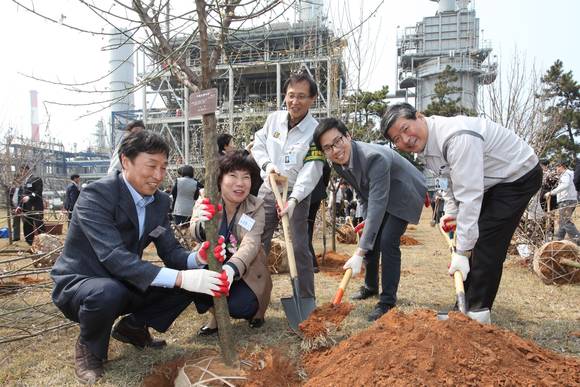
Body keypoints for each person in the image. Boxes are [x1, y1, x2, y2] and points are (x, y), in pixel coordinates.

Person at [50, 131, 229, 384]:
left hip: (126, 282)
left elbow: (170, 252)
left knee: (183, 282)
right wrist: (180, 278)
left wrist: (196, 260)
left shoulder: (159, 202)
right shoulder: (96, 196)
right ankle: (89, 349)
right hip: (81, 283)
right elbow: (114, 256)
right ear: (126, 161)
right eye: (151, 166)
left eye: (164, 167)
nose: (158, 175)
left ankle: (133, 326)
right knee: (109, 291)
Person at [382, 102, 541, 313]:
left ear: (419, 116)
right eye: (396, 139)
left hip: (518, 175)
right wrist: (451, 212)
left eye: (405, 129)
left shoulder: (456, 137)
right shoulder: (426, 146)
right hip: (491, 182)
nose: (405, 139)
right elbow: (446, 178)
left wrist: (462, 251)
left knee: (485, 242)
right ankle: (463, 308)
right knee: (475, 238)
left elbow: (469, 196)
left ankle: (477, 313)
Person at [313, 118, 426, 321]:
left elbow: (378, 204)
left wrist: (359, 252)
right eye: (328, 148)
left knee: (387, 240)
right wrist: (363, 220)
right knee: (370, 236)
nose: (336, 150)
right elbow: (363, 193)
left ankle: (387, 301)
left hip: (403, 192)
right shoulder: (338, 165)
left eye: (338, 141)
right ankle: (370, 286)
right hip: (381, 194)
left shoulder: (374, 158)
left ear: (348, 136)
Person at [251, 70, 324, 298]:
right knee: (257, 240)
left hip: (296, 193)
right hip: (270, 186)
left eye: (302, 96)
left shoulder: (316, 131)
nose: (295, 101)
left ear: (312, 99)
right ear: (285, 95)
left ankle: (304, 296)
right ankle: (254, 293)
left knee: (299, 245)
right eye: (291, 95)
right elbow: (258, 144)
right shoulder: (274, 119)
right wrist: (267, 166)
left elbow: (312, 170)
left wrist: (293, 199)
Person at [190, 151, 272, 335]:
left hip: (244, 273)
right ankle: (216, 315)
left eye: (246, 177)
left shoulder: (255, 206)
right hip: (210, 265)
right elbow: (194, 229)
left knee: (242, 306)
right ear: (220, 179)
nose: (240, 183)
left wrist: (231, 268)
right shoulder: (207, 197)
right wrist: (203, 225)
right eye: (233, 175)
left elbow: (251, 242)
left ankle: (253, 313)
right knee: (192, 280)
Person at [545, 161, 580, 242]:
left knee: (565, 221)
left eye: (557, 167)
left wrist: (551, 192)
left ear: (562, 166)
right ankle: (559, 240)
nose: (556, 169)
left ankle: (577, 239)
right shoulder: (572, 173)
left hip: (566, 200)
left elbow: (565, 184)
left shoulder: (566, 174)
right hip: (571, 199)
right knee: (562, 222)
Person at [307, 162, 331, 273]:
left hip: (305, 194)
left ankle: (311, 263)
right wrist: (322, 186)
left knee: (304, 228)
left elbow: (326, 169)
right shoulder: (317, 153)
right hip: (316, 194)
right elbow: (327, 169)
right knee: (308, 227)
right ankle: (310, 262)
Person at [17, 165, 45, 245]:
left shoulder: (36, 179)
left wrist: (29, 197)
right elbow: (21, 194)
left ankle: (43, 241)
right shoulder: (24, 182)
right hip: (26, 207)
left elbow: (38, 192)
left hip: (35, 206)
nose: (22, 173)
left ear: (27, 170)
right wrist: (19, 205)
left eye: (23, 171)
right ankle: (30, 242)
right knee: (27, 225)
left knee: (38, 223)